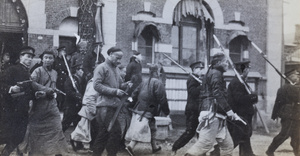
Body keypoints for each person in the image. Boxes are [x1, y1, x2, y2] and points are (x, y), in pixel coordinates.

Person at [185, 53, 242, 156]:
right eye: (225, 62)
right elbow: (217, 93)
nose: (227, 64)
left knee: (228, 146)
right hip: (212, 114)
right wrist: (229, 111)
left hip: (217, 114)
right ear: (218, 63)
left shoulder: (213, 72)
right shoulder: (216, 73)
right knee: (205, 144)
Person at [27, 49, 68, 155]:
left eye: (50, 58)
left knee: (57, 127)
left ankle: (58, 151)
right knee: (37, 131)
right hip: (40, 105)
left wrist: (55, 92)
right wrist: (46, 90)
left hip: (52, 104)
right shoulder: (37, 71)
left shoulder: (54, 73)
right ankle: (35, 152)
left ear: (54, 59)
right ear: (42, 59)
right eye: (45, 57)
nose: (48, 60)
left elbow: (53, 87)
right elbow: (32, 84)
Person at [125, 64, 170, 156]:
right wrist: (166, 111)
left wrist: (130, 104)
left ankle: (154, 147)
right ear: (157, 72)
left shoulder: (144, 82)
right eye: (160, 72)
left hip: (140, 108)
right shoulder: (158, 83)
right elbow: (162, 99)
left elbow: (134, 94)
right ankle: (130, 146)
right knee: (141, 128)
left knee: (152, 128)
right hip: (147, 110)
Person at [0, 46, 35, 156]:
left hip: (23, 109)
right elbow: (2, 84)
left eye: (31, 57)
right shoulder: (12, 69)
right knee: (8, 135)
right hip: (11, 109)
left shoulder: (28, 72)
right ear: (21, 57)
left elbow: (29, 90)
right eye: (27, 56)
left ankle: (5, 152)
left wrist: (34, 96)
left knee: (18, 136)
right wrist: (11, 88)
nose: (29, 59)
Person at [92, 47, 127, 156]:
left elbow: (119, 85)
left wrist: (127, 85)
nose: (119, 61)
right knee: (115, 132)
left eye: (120, 59)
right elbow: (96, 85)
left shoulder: (116, 69)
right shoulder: (101, 68)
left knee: (104, 134)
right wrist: (115, 92)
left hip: (112, 106)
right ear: (110, 54)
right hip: (104, 106)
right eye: (117, 58)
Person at [172, 61, 205, 153]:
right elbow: (193, 92)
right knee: (190, 132)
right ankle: (175, 147)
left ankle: (201, 153)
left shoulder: (198, 79)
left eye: (202, 68)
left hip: (198, 110)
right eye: (200, 68)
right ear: (194, 69)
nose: (201, 70)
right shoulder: (192, 79)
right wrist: (202, 86)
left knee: (201, 133)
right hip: (192, 110)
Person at [266, 69, 300, 156]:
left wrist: (275, 114)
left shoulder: (283, 88)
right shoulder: (291, 88)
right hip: (290, 114)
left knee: (296, 136)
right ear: (291, 77)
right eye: (296, 75)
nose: (298, 76)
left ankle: (297, 152)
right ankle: (270, 150)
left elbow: (277, 103)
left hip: (293, 115)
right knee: (284, 135)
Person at [227, 60, 258, 156]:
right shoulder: (237, 82)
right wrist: (253, 96)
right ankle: (217, 153)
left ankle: (247, 154)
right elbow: (239, 99)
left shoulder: (242, 82)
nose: (249, 70)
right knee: (239, 137)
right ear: (243, 70)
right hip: (241, 114)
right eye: (248, 68)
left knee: (245, 136)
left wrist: (253, 97)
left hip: (245, 114)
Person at [70, 77, 98, 151]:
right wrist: (93, 111)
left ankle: (76, 141)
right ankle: (75, 140)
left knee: (85, 128)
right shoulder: (94, 82)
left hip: (90, 107)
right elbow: (90, 98)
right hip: (89, 108)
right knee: (87, 128)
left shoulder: (95, 81)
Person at [61, 62, 85, 132]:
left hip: (79, 106)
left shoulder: (82, 80)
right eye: (81, 70)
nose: (82, 72)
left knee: (78, 126)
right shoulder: (70, 80)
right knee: (65, 125)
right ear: (76, 70)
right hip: (70, 106)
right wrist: (79, 96)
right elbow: (68, 91)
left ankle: (75, 141)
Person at [53, 46, 69, 110]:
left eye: (65, 52)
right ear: (59, 52)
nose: (64, 53)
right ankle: (57, 107)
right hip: (57, 79)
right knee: (58, 94)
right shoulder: (55, 60)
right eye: (63, 51)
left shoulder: (65, 61)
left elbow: (68, 70)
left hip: (64, 79)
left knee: (64, 93)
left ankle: (62, 106)